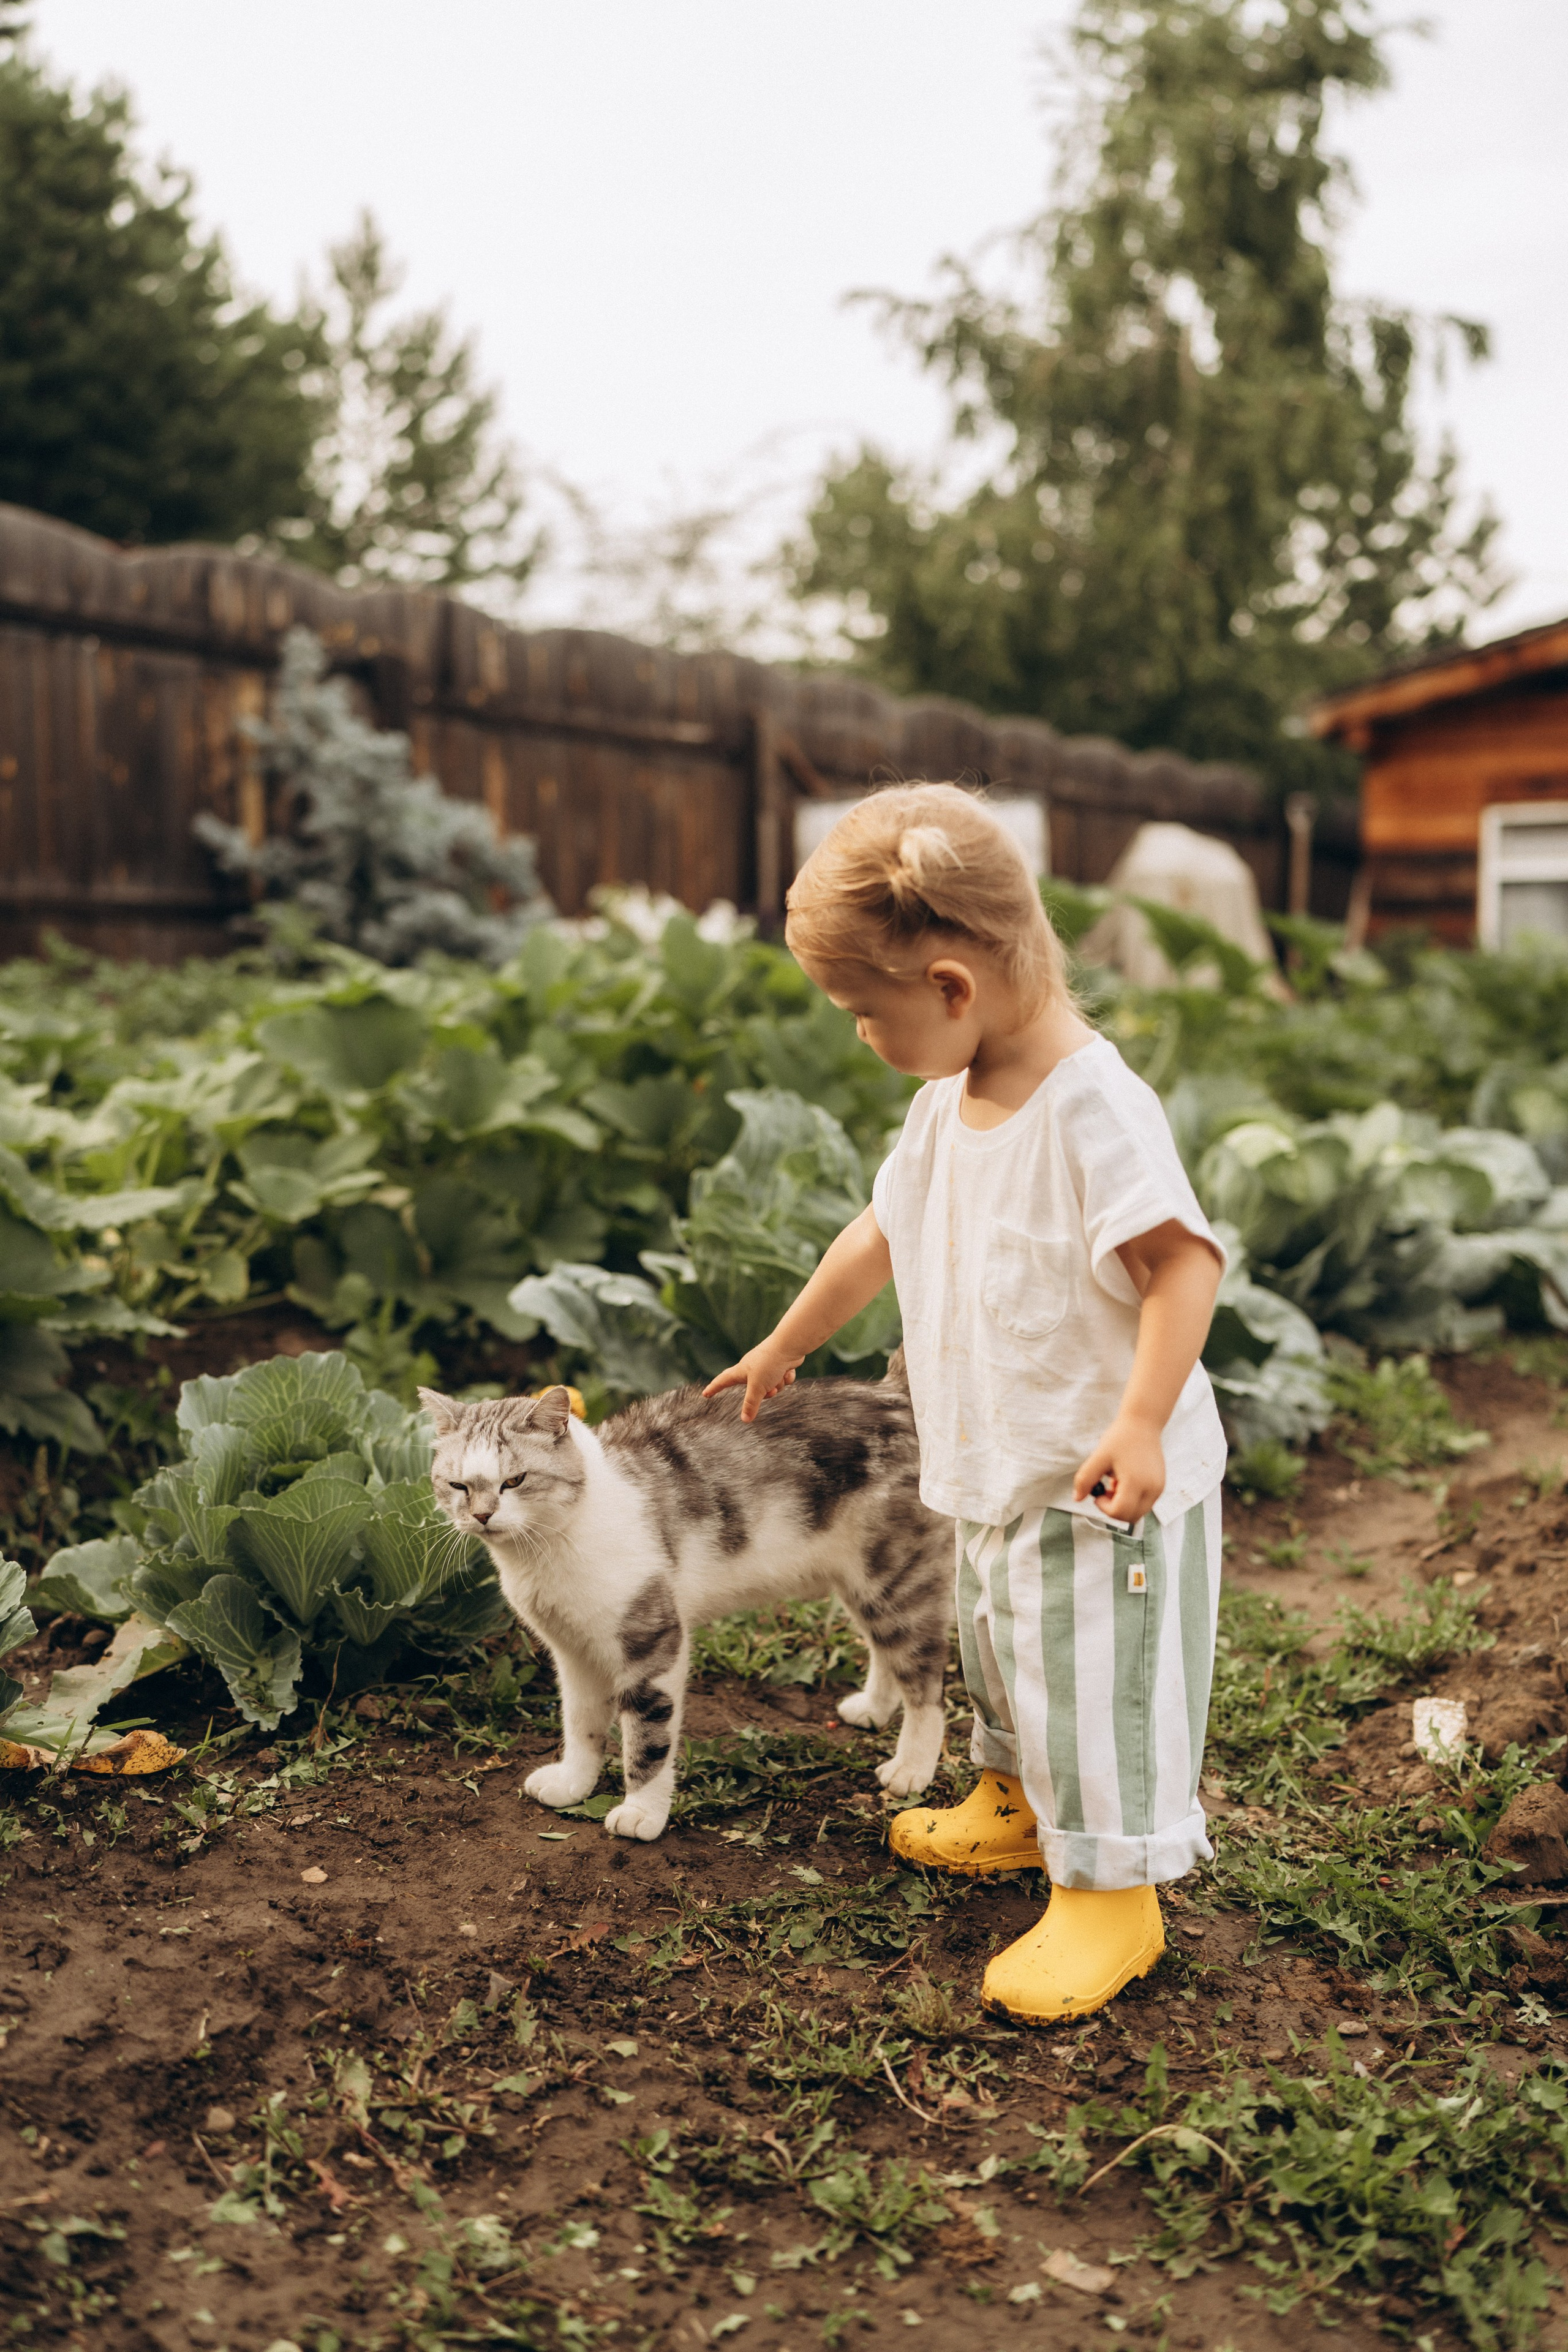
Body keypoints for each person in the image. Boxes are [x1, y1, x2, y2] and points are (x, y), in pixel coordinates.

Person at [704, 783, 1227, 2022]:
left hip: (1103, 1486)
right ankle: (1011, 1803)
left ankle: (1113, 1895)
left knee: (1093, 1681)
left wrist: (1142, 1419)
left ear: (949, 986)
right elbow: (876, 1232)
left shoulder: (1092, 1109)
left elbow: (1180, 1265)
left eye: (860, 1014)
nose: (856, 1039)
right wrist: (784, 1341)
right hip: (995, 1466)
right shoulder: (944, 1104)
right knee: (1000, 1650)